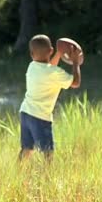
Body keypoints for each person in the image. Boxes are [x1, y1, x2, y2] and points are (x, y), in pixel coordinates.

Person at [18, 35, 81, 163]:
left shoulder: (32, 66)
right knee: (48, 153)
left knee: (27, 149)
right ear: (50, 51)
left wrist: (59, 54)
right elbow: (75, 83)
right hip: (40, 117)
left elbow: (48, 66)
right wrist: (75, 62)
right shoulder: (55, 73)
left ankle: (16, 174)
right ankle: (47, 179)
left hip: (25, 113)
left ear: (31, 54)